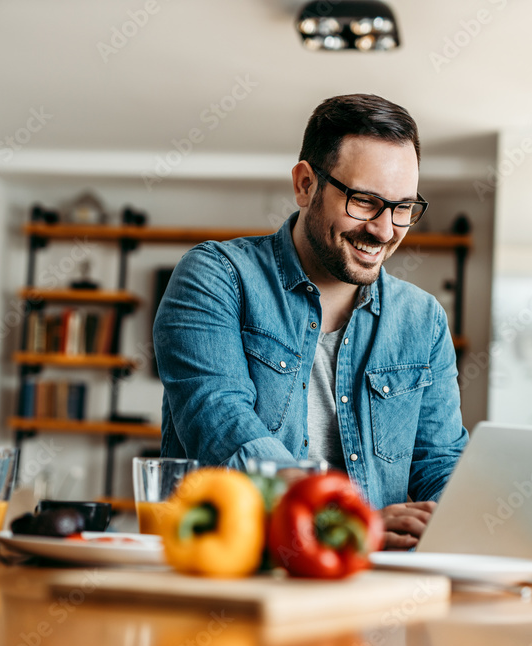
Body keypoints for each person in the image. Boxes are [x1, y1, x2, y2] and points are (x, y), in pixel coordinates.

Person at [153, 94, 469, 550]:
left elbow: (437, 462)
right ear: (305, 185)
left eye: (402, 207)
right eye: (364, 201)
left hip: (375, 585)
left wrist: (458, 523)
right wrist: (347, 524)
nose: (384, 230)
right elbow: (223, 427)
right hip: (233, 574)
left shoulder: (424, 321)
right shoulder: (216, 277)